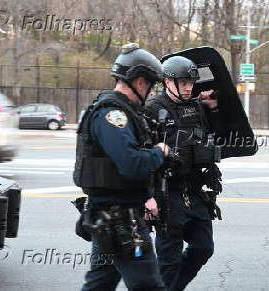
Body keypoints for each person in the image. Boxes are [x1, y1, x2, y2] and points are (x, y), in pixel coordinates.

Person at [73, 43, 168, 291]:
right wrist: (159, 152)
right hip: (120, 220)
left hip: (109, 216)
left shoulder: (119, 111)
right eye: (151, 85)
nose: (151, 92)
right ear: (139, 82)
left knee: (100, 283)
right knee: (148, 285)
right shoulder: (113, 115)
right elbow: (132, 165)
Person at [144, 56, 223, 291]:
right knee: (169, 261)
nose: (189, 88)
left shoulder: (197, 107)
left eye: (191, 82)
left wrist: (214, 108)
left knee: (203, 248)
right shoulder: (152, 110)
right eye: (184, 82)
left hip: (194, 190)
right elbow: (142, 158)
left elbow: (218, 138)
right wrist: (148, 197)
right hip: (167, 193)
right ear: (168, 81)